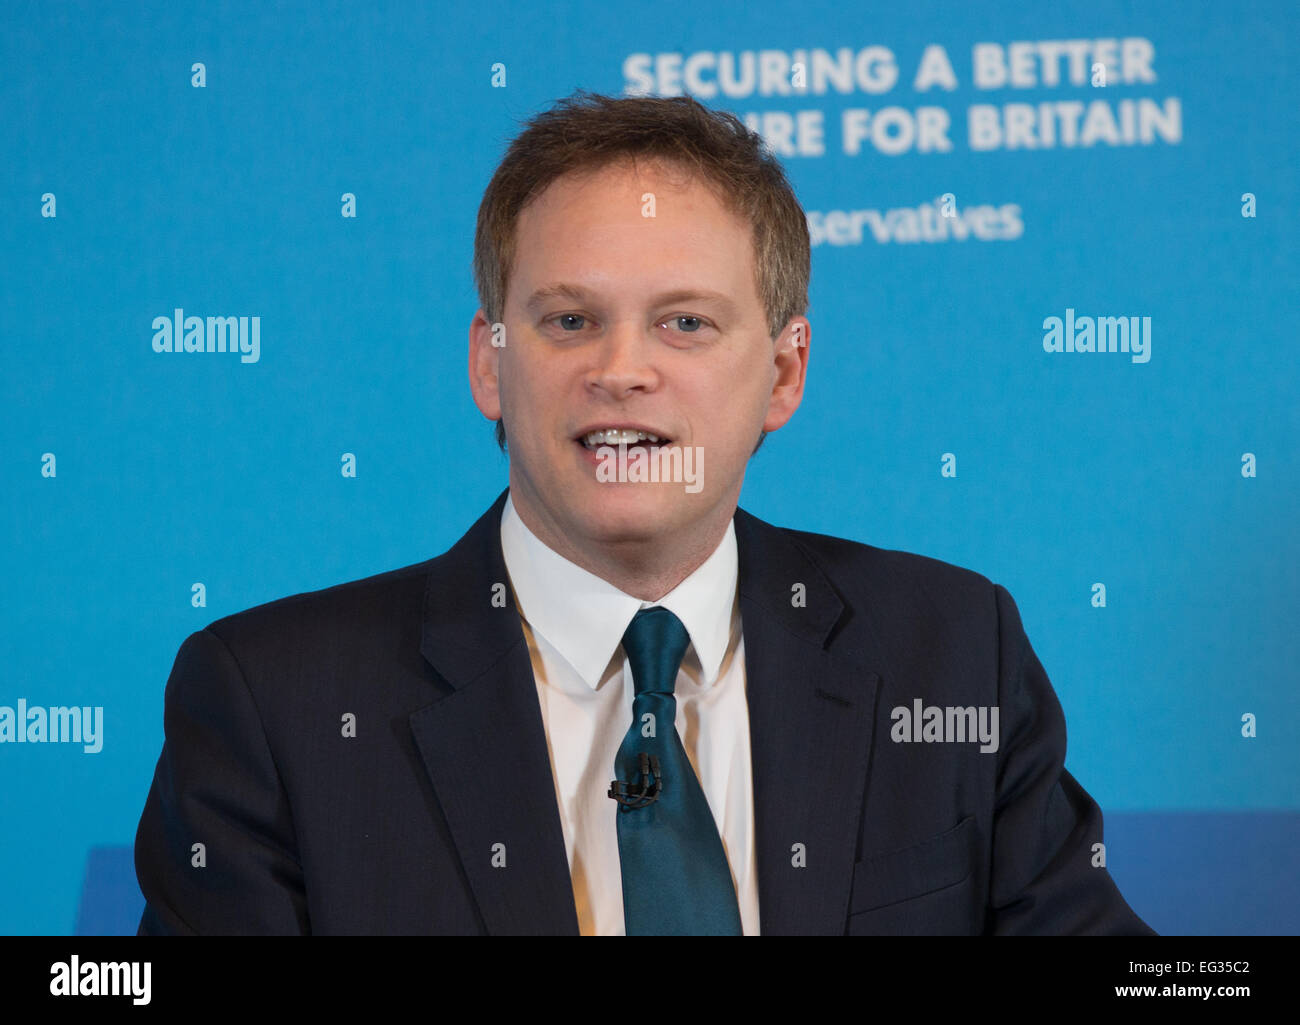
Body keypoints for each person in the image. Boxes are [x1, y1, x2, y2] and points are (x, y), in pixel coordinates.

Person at [134, 89, 1154, 935]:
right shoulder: (274, 702)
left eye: (684, 322)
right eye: (569, 319)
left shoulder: (949, 647)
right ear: (490, 363)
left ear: (784, 372)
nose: (621, 370)